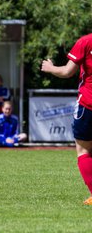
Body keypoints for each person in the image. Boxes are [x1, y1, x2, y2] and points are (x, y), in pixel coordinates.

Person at [41, 33, 92, 205]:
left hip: (88, 104)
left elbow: (67, 72)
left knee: (83, 151)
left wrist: (50, 68)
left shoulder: (86, 41)